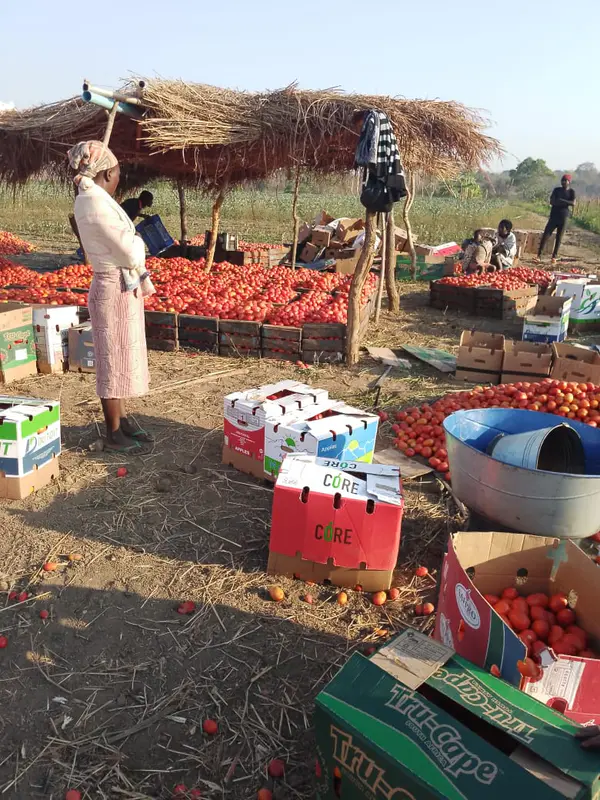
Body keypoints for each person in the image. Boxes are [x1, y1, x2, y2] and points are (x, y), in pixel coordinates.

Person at [68, 141, 155, 453]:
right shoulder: (93, 202)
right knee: (111, 360)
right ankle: (113, 431)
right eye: (117, 172)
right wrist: (138, 243)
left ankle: (123, 418)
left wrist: (134, 242)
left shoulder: (94, 198)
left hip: (119, 285)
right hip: (112, 285)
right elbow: (126, 247)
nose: (119, 178)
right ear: (105, 173)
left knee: (123, 356)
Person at [537, 174, 576, 263]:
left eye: (566, 180)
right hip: (554, 216)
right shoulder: (556, 190)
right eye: (563, 180)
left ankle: (554, 257)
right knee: (546, 235)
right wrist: (566, 203)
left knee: (559, 238)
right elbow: (551, 201)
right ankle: (539, 255)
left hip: (564, 217)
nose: (564, 182)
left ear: (569, 182)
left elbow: (573, 203)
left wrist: (560, 201)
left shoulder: (571, 192)